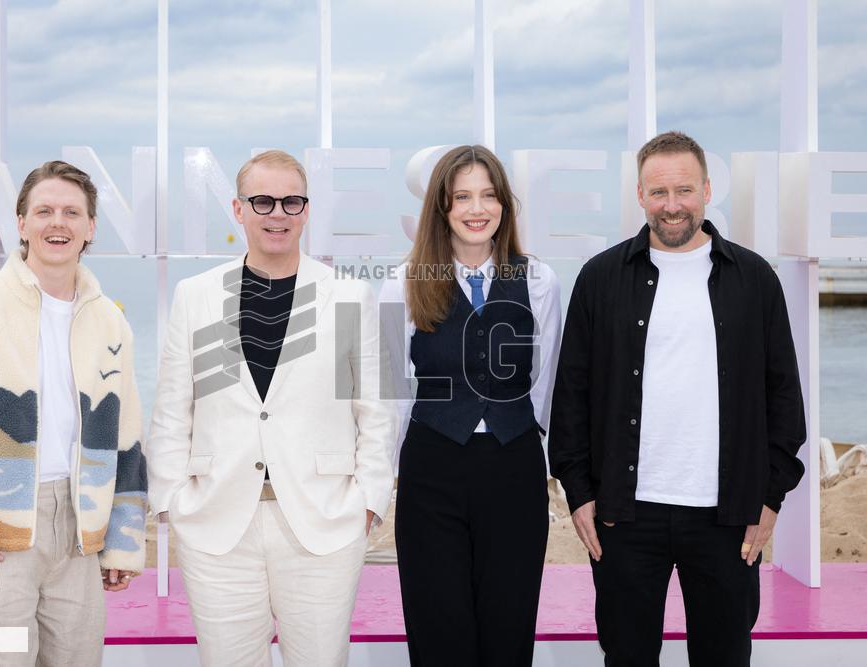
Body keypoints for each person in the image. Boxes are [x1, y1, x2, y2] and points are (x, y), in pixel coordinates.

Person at [548, 131, 807, 666]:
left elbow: (783, 397)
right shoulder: (600, 278)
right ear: (640, 195)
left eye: (684, 190)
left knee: (724, 657)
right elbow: (571, 393)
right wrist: (579, 492)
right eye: (658, 192)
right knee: (626, 656)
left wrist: (770, 496)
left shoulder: (754, 278)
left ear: (708, 190)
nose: (672, 206)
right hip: (624, 517)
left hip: (728, 519)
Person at [147, 149, 395, 666]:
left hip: (324, 522)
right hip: (216, 525)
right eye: (262, 201)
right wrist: (172, 501)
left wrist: (368, 500)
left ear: (306, 211)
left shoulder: (349, 294)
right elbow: (173, 407)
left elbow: (374, 408)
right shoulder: (195, 295)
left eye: (290, 201)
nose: (276, 213)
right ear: (238, 210)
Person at [0, 160, 148, 665]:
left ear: (90, 228)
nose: (56, 223)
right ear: (21, 224)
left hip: (83, 530)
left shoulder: (111, 321)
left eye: (70, 212)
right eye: (43, 211)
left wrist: (122, 539)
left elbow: (126, 438)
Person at [379, 144, 562, 665]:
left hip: (514, 467)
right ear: (441, 207)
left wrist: (541, 457)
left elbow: (545, 379)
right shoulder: (401, 284)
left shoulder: (539, 281)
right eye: (462, 197)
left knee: (508, 628)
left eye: (488, 195)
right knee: (440, 632)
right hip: (432, 471)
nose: (476, 209)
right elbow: (390, 387)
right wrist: (390, 474)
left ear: (504, 205)